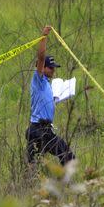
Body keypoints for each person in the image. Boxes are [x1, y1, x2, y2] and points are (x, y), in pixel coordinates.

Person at [25, 26, 75, 167]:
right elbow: (41, 57)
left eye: (54, 68)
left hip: (46, 130)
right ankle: (60, 185)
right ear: (43, 68)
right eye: (50, 67)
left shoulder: (47, 84)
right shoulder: (39, 80)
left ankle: (60, 185)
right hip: (38, 131)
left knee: (67, 157)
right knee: (34, 166)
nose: (53, 70)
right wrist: (44, 37)